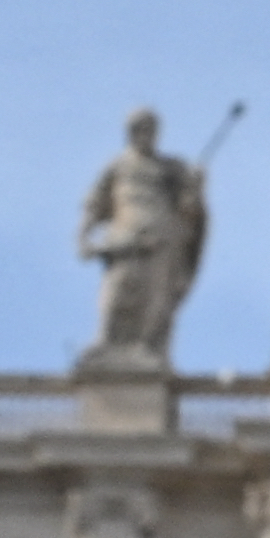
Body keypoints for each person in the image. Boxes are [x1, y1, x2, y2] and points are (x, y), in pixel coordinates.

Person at [76, 108, 208, 366]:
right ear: (130, 133)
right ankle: (108, 344)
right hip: (124, 240)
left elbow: (190, 210)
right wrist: (83, 236)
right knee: (117, 293)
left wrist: (195, 187)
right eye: (139, 129)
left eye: (150, 129)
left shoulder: (171, 168)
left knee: (156, 298)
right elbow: (94, 204)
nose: (146, 135)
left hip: (162, 241)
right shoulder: (117, 167)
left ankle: (147, 347)